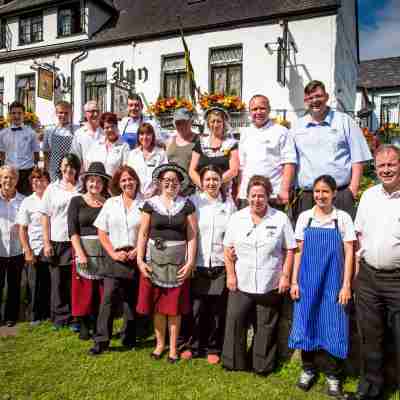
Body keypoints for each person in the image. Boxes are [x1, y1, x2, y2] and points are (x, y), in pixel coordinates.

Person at [288, 175, 355, 397]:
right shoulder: (305, 218)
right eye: (317, 191)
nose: (320, 195)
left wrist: (346, 285)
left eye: (325, 191)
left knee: (335, 326)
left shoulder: (342, 218)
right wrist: (294, 281)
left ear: (335, 193)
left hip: (333, 283)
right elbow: (297, 252)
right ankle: (308, 370)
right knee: (306, 322)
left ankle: (333, 376)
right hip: (307, 282)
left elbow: (349, 253)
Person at [222, 175, 296, 374]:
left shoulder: (280, 218)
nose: (257, 200)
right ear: (247, 196)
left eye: (261, 196)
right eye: (253, 196)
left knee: (265, 326)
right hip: (241, 281)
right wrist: (230, 275)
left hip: (269, 282)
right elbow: (227, 247)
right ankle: (234, 362)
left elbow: (290, 249)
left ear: (268, 196)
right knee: (235, 321)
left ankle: (261, 365)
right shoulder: (237, 218)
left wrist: (285, 276)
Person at [352, 144, 400, 399]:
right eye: (381, 166)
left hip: (397, 280)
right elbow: (359, 235)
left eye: (391, 164)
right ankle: (370, 388)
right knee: (370, 337)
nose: (386, 170)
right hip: (369, 278)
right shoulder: (369, 196)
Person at [136, 163, 197, 363]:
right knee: (159, 307)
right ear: (160, 183)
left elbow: (192, 236)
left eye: (175, 180)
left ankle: (172, 348)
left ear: (180, 184)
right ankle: (160, 344)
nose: (171, 183)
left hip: (178, 264)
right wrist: (140, 260)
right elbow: (143, 233)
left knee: (174, 308)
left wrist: (190, 262)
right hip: (155, 262)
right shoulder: (150, 204)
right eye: (167, 180)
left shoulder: (187, 205)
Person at [291, 80, 372, 219]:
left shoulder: (344, 121)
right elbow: (291, 160)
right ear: (305, 100)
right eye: (310, 98)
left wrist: (351, 191)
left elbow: (358, 157)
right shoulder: (297, 127)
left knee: (341, 238)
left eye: (318, 96)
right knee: (306, 239)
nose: (315, 101)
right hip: (306, 197)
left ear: (327, 97)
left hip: (339, 195)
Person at [181, 165, 236, 364]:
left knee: (216, 311)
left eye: (215, 179)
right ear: (201, 182)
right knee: (195, 309)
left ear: (221, 181)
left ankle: (213, 347)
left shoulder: (229, 205)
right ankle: (193, 345)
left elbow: (233, 235)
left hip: (220, 264)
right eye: (207, 179)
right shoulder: (193, 202)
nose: (211, 183)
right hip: (198, 263)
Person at [89, 166, 142, 355]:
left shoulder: (145, 204)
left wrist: (138, 250)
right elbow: (102, 232)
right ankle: (101, 340)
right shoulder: (111, 203)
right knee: (108, 299)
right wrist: (113, 253)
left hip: (136, 257)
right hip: (115, 257)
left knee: (132, 300)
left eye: (130, 179)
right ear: (118, 184)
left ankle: (129, 337)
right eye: (123, 180)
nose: (128, 183)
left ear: (136, 180)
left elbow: (148, 232)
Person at [68, 162, 110, 340]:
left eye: (98, 181)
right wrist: (80, 253)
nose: (95, 184)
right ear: (85, 182)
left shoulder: (108, 203)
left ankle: (97, 324)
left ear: (103, 184)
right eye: (91, 181)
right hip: (83, 248)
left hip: (103, 250)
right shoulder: (76, 201)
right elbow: (72, 230)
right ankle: (83, 324)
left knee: (100, 289)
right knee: (82, 289)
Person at [40, 153, 81, 330]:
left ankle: (75, 317)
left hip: (76, 241)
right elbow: (45, 216)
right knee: (57, 281)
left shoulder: (81, 187)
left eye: (72, 166)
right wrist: (46, 242)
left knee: (75, 281)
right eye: (65, 165)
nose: (68, 169)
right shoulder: (52, 188)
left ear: (77, 169)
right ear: (60, 167)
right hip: (57, 240)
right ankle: (59, 317)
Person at [238, 95, 297, 209]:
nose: (258, 112)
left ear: (269, 109)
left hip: (273, 194)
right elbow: (242, 166)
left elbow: (289, 162)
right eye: (254, 109)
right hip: (248, 195)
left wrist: (284, 190)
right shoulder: (245, 132)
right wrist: (240, 190)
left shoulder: (281, 131)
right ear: (249, 112)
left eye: (262, 108)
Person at [17, 168, 51, 325]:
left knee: (50, 283)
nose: (38, 182)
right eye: (35, 179)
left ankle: (50, 313)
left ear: (48, 182)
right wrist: (27, 251)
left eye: (41, 179)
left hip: (51, 247)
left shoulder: (52, 199)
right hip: (35, 248)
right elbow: (22, 229)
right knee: (35, 284)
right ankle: (35, 315)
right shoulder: (27, 202)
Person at [189, 107, 239, 195]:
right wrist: (204, 186)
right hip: (202, 192)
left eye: (219, 121)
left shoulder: (231, 144)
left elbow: (234, 170)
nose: (215, 125)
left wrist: (215, 184)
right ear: (208, 123)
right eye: (213, 121)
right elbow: (192, 170)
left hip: (223, 191)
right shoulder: (200, 143)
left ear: (224, 123)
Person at [0, 166, 25, 327]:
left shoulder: (24, 201)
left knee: (15, 285)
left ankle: (11, 316)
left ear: (17, 180)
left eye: (11, 178)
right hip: (0, 250)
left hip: (17, 249)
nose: (8, 181)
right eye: (4, 177)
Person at [0, 101, 40, 195]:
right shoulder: (3, 134)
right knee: (8, 198)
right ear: (10, 115)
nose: (16, 116)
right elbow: (2, 154)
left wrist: (33, 170)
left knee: (25, 200)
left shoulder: (31, 133)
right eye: (13, 113)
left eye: (19, 113)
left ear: (24, 115)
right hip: (9, 173)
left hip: (26, 173)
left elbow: (36, 154)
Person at [127, 122, 168, 198]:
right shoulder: (132, 154)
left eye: (148, 134)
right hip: (136, 196)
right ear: (138, 136)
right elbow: (129, 175)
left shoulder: (161, 153)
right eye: (142, 134)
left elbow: (164, 175)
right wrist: (137, 193)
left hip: (156, 196)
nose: (145, 137)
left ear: (153, 136)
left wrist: (154, 191)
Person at [43, 101, 79, 182]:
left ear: (71, 113)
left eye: (66, 113)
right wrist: (47, 169)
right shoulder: (49, 130)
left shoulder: (77, 130)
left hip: (71, 168)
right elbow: (46, 152)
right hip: (54, 169)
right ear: (56, 113)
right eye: (60, 113)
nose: (63, 115)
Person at [71, 101, 103, 169]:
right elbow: (76, 158)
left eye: (97, 111)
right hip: (85, 175)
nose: (95, 114)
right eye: (92, 111)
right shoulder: (79, 134)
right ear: (85, 114)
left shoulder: (105, 133)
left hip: (103, 175)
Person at [166, 107, 197, 172]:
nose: (181, 126)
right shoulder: (170, 141)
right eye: (178, 123)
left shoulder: (199, 140)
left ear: (191, 122)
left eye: (184, 122)